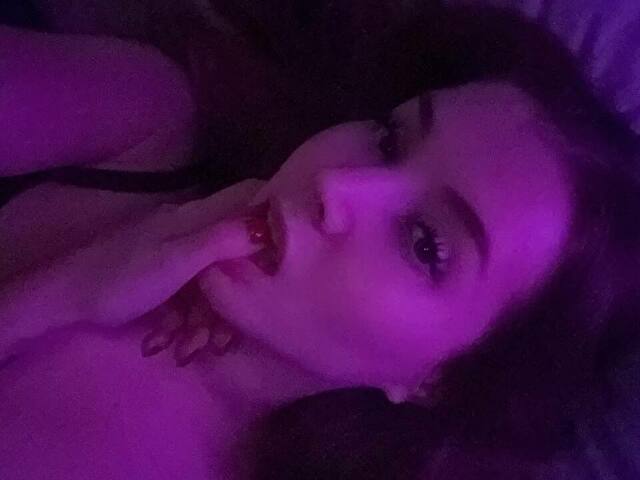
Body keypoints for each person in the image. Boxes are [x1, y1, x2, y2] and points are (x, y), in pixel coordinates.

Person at [1, 5, 639, 480]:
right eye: (389, 138)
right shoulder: (148, 123)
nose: (337, 184)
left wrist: (61, 296)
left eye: (425, 243)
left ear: (439, 380)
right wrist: (84, 276)